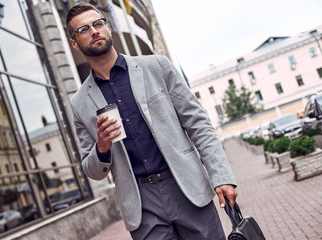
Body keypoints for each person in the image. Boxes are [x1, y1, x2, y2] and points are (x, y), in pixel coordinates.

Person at [67, 4, 237, 239]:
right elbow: (91, 170)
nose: (94, 31)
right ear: (74, 43)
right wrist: (102, 148)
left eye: (98, 24)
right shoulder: (79, 103)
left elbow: (198, 124)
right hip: (141, 204)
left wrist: (221, 177)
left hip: (186, 186)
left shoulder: (157, 66)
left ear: (108, 28)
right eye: (84, 29)